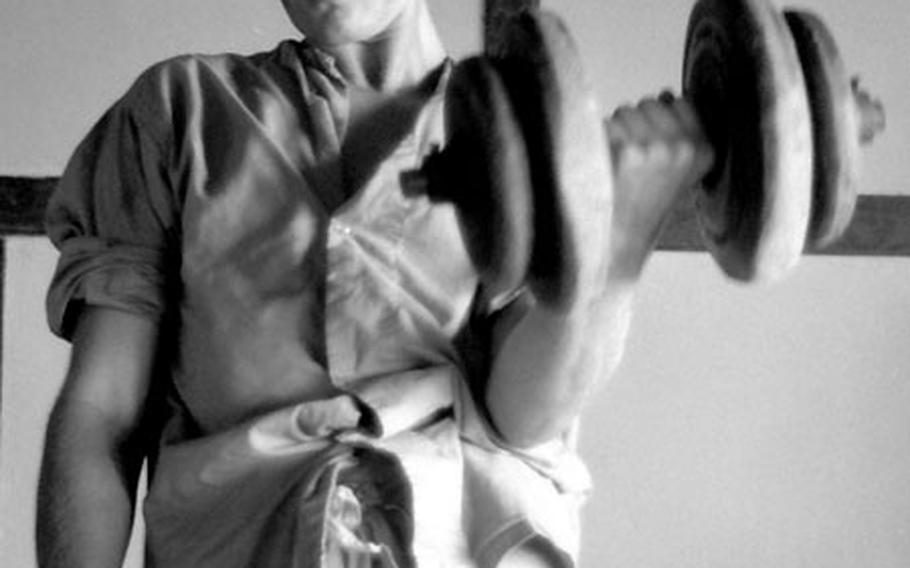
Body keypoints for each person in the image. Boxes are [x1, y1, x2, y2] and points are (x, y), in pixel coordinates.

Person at [35, 0, 712, 566]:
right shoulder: (180, 110)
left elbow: (523, 419)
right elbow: (102, 415)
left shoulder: (534, 139)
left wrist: (617, 249)